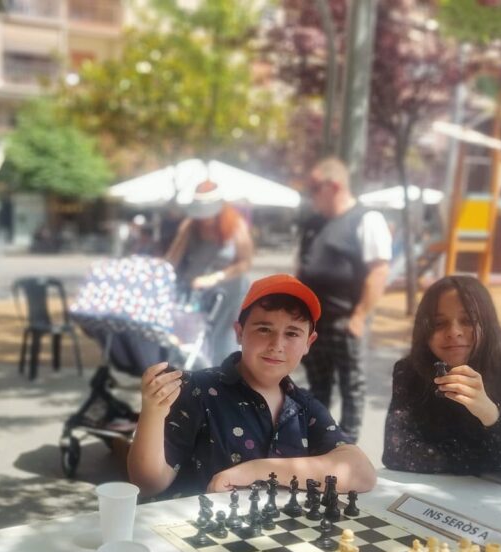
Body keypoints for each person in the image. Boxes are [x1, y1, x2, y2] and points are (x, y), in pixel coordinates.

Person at [128, 274, 377, 499]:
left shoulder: (305, 407)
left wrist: (256, 470)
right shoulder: (197, 390)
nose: (276, 345)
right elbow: (148, 483)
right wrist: (153, 413)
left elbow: (361, 473)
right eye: (264, 329)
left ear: (308, 343)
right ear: (239, 332)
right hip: (196, 530)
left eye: (292, 333)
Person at [383, 275, 501, 480]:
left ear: (487, 324)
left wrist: (490, 413)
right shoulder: (410, 371)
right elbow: (396, 452)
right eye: (439, 323)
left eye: (467, 321)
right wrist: (491, 458)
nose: (454, 332)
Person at [296, 157, 392, 443]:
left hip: (346, 319)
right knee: (318, 385)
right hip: (314, 322)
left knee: (352, 386)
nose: (311, 195)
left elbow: (379, 270)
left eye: (314, 188)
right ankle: (317, 438)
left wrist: (359, 316)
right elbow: (302, 267)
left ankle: (347, 445)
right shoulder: (314, 223)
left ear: (334, 186)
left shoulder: (366, 219)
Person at [165, 180, 253, 365]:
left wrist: (216, 277)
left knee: (224, 340)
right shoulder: (190, 226)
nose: (205, 219)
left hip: (229, 292)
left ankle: (224, 376)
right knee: (191, 343)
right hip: (195, 293)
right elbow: (173, 257)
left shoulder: (235, 225)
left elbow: (245, 263)